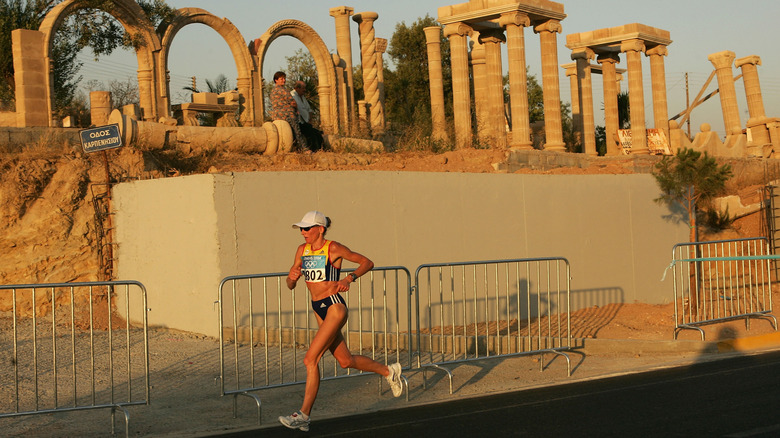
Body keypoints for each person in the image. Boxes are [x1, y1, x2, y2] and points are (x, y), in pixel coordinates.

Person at [279, 210, 403, 432]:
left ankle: (304, 415)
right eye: (301, 229)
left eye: (307, 228)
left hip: (335, 306)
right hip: (318, 307)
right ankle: (389, 371)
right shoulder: (302, 250)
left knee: (310, 360)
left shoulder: (333, 248)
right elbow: (290, 285)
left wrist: (349, 277)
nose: (303, 232)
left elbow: (367, 262)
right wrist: (291, 278)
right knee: (345, 361)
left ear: (320, 229)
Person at [269, 71, 308, 152]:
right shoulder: (283, 90)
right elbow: (292, 102)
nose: (284, 80)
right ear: (276, 80)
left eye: (284, 78)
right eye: (281, 79)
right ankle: (304, 149)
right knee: (297, 133)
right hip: (288, 115)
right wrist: (296, 107)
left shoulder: (273, 90)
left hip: (276, 116)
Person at [291, 81, 325, 152]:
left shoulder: (303, 97)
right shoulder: (292, 95)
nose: (305, 90)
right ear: (297, 88)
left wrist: (310, 120)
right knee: (311, 134)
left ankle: (322, 150)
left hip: (306, 122)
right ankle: (314, 150)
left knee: (318, 134)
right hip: (299, 122)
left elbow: (309, 110)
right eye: (303, 88)